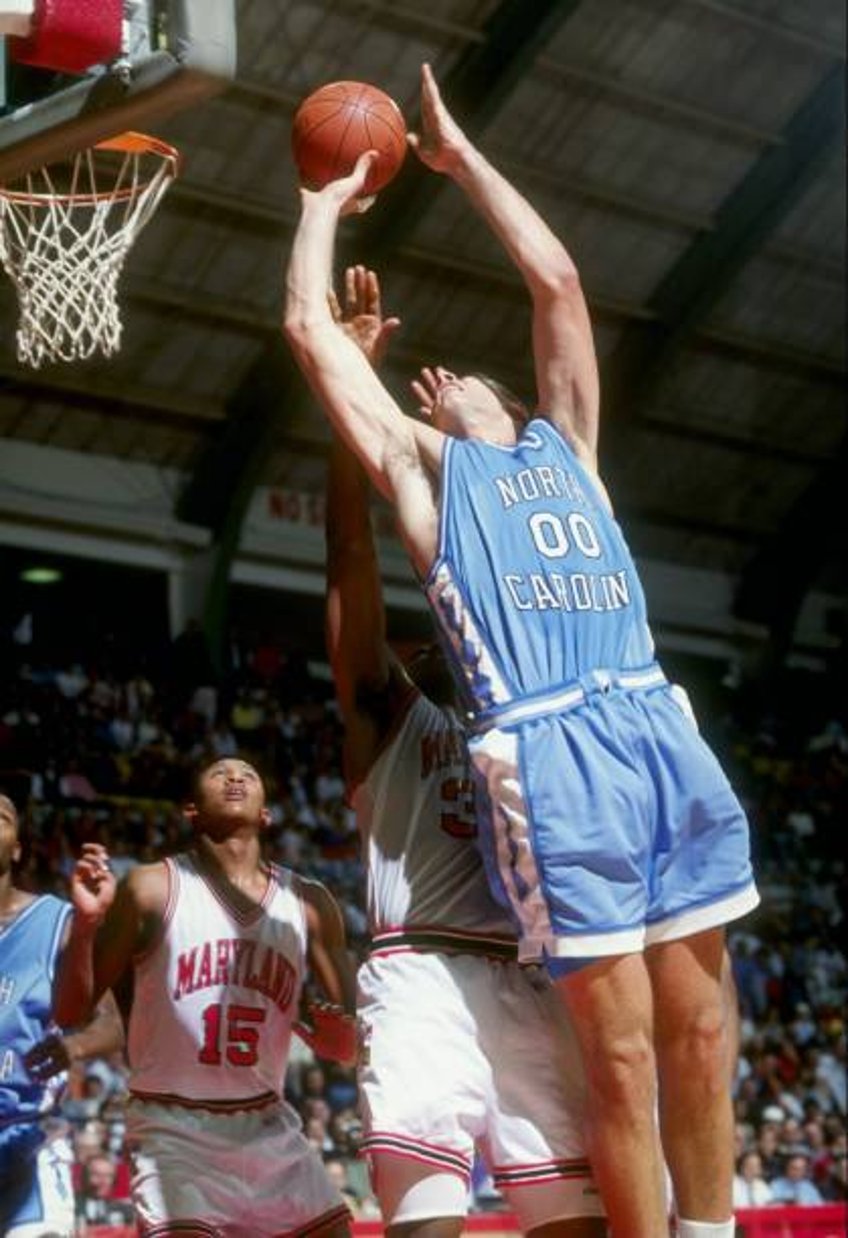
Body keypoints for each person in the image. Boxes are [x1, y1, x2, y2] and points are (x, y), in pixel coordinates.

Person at [284, 61, 759, 1238]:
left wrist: (458, 158)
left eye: (466, 382)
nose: (451, 387)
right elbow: (307, 331)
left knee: (705, 1030)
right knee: (626, 1054)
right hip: (547, 752)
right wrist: (319, 203)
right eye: (434, 390)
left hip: (652, 717)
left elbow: (554, 278)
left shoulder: (568, 451)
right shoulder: (428, 481)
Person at [323, 266, 605, 1234]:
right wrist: (344, 412)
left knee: (578, 1219)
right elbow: (349, 563)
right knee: (428, 1221)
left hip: (530, 971)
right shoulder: (392, 715)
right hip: (420, 971)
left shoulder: (528, 702)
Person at [53, 756, 358, 1237]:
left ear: (267, 815)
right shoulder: (151, 887)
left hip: (267, 1124)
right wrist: (88, 926)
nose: (236, 778)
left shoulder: (310, 903)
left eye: (250, 774)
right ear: (191, 810)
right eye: (221, 773)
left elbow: (349, 1043)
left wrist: (340, 1040)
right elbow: (71, 1010)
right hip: (174, 1126)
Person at [0, 791, 124, 1238]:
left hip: (28, 1140)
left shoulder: (58, 920)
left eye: (1, 816)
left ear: (17, 846)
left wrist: (74, 1045)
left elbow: (111, 1024)